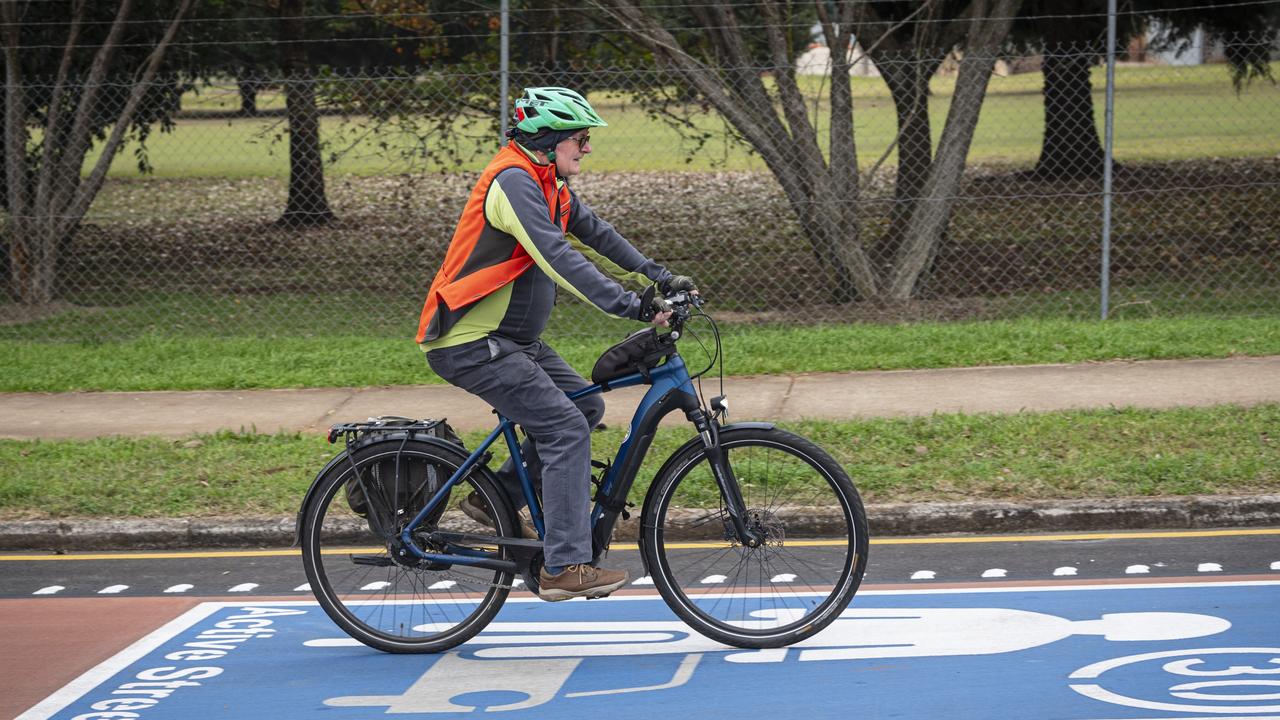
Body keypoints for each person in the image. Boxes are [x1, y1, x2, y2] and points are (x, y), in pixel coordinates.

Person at [415, 87, 696, 601]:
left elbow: (598, 233)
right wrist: (629, 304)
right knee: (564, 427)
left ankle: (494, 496)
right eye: (580, 139)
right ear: (549, 139)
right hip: (472, 341)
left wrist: (661, 275)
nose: (586, 149)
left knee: (584, 406)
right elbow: (557, 256)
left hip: (513, 340)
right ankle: (564, 567)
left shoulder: (548, 182)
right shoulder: (513, 182)